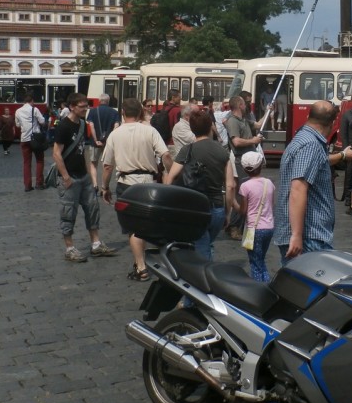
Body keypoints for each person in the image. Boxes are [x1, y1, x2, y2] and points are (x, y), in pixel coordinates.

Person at [273, 100, 352, 262]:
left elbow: (320, 162)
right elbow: (298, 189)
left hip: (307, 235)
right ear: (333, 123)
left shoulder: (303, 138)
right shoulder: (310, 144)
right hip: (308, 236)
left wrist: (342, 155)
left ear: (308, 116)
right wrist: (297, 235)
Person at [100, 98, 173, 281]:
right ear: (141, 113)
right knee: (148, 224)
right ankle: (146, 262)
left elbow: (107, 166)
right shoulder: (150, 131)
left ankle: (141, 266)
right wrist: (171, 177)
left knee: (133, 228)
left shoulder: (115, 134)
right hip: (148, 183)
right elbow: (165, 155)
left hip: (127, 184)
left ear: (123, 113)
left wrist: (105, 187)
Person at [52, 93, 118, 263]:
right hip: (69, 178)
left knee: (92, 209)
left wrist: (90, 172)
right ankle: (70, 248)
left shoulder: (82, 124)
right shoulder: (64, 126)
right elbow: (56, 154)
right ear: (72, 107)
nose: (85, 109)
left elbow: (84, 150)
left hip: (83, 176)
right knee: (68, 213)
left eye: (86, 106)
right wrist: (65, 177)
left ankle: (96, 244)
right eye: (82, 106)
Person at [163, 108, 235, 261]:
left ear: (192, 129)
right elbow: (230, 186)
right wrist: (228, 213)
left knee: (202, 246)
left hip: (195, 207)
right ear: (210, 127)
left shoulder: (187, 150)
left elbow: (171, 178)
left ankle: (202, 278)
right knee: (207, 243)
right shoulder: (223, 152)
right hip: (216, 207)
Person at [224, 96, 264, 240]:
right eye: (244, 103)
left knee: (246, 193)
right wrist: (253, 140)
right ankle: (234, 226)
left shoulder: (244, 120)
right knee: (243, 195)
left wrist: (268, 112)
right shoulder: (233, 121)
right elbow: (236, 141)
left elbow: (258, 125)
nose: (246, 105)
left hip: (250, 160)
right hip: (242, 160)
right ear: (240, 105)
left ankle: (237, 225)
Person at [237, 150, 275, 282]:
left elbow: (243, 211)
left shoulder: (245, 186)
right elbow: (271, 204)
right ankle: (266, 286)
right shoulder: (269, 183)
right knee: (260, 260)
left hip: (253, 229)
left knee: (255, 263)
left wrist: (233, 205)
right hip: (269, 227)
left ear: (244, 168)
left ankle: (260, 291)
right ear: (261, 165)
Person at [15, 93, 47, 191]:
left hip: (24, 139)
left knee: (26, 163)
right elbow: (42, 121)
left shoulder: (18, 111)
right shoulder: (35, 109)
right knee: (39, 160)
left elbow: (17, 125)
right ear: (31, 101)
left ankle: (27, 185)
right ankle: (39, 183)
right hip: (35, 138)